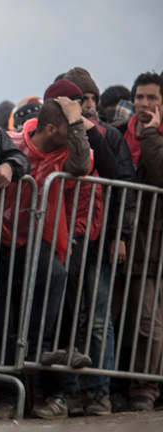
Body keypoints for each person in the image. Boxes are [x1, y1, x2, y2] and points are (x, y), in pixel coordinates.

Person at [0, 97, 92, 419]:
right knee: (2, 317)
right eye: (69, 126)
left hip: (37, 239)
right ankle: (5, 398)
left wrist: (75, 120)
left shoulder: (65, 150)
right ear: (49, 129)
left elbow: (83, 163)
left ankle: (36, 350)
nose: (77, 130)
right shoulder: (15, 142)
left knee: (56, 275)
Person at [60, 67, 137, 416]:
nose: (88, 105)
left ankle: (100, 393)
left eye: (91, 98)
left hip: (101, 238)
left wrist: (120, 235)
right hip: (67, 239)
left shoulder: (109, 136)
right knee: (67, 316)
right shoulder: (60, 130)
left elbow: (124, 187)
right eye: (80, 99)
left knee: (98, 319)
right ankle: (68, 391)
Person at [121, 72, 163, 412]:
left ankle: (144, 391)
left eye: (152, 98)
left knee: (148, 322)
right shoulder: (121, 134)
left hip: (154, 247)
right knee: (124, 318)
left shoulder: (155, 136)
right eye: (140, 97)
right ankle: (123, 388)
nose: (145, 104)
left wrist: (151, 134)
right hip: (125, 241)